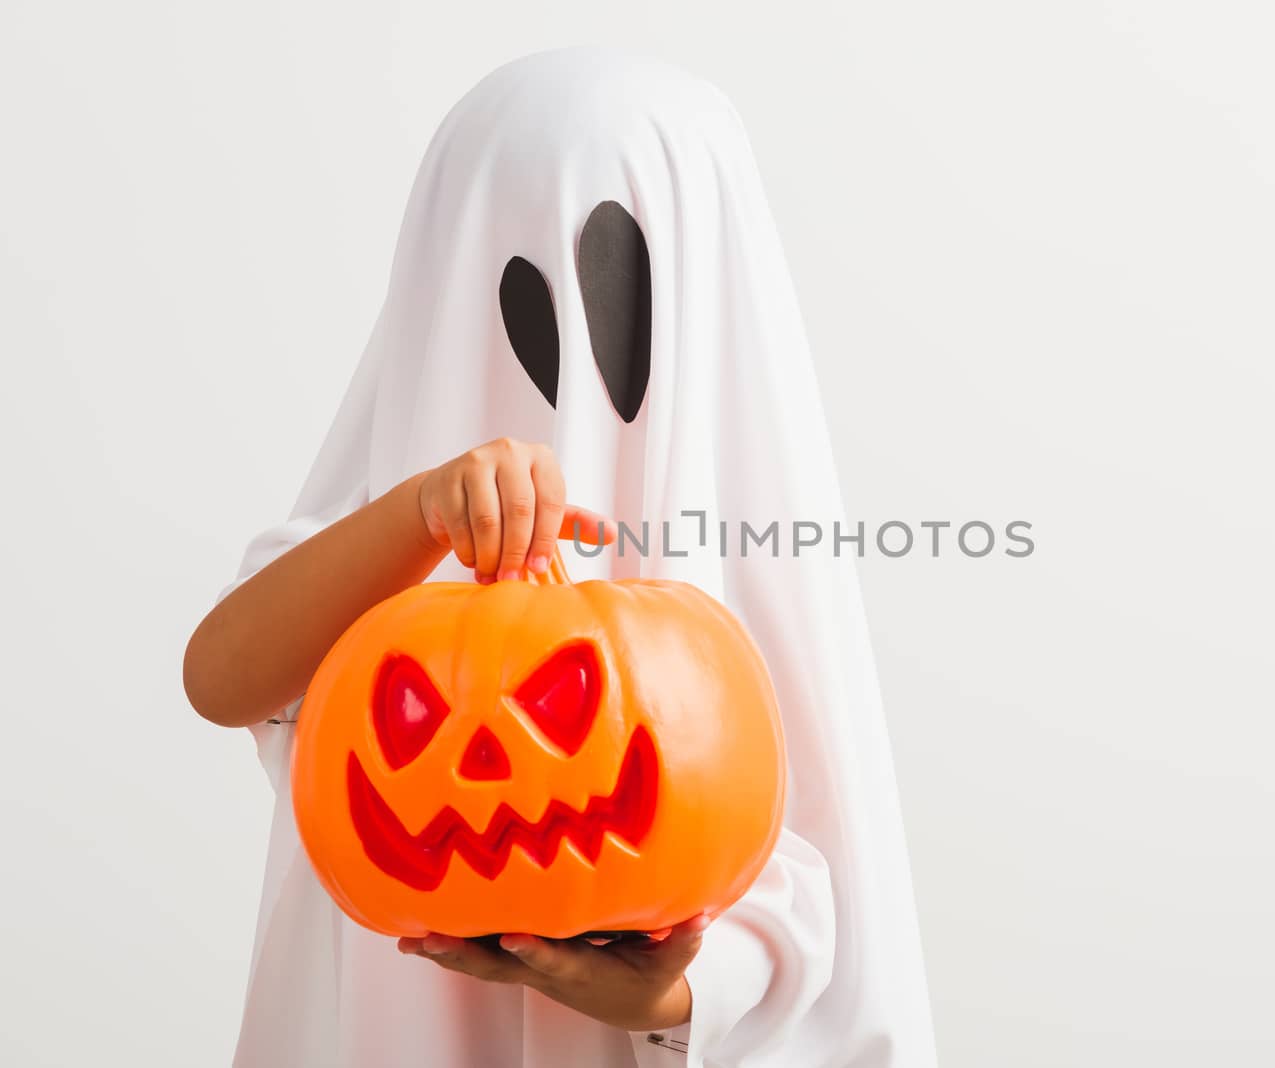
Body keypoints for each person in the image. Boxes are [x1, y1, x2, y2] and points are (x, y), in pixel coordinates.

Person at [183, 45, 937, 1067]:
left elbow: (824, 898)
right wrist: (413, 517)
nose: (572, 356)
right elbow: (224, 677)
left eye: (616, 283)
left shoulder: (756, 565)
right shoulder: (372, 551)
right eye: (512, 275)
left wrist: (670, 994)